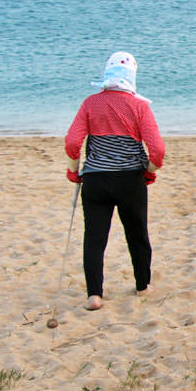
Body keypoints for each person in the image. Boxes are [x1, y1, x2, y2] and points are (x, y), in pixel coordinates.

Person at [64, 52, 165, 311]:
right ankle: (143, 285)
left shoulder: (90, 103)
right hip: (130, 179)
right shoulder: (140, 106)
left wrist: (74, 171)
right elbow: (157, 149)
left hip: (96, 180)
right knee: (137, 233)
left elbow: (73, 142)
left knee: (94, 238)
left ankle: (94, 295)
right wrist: (149, 171)